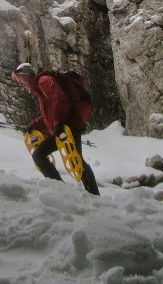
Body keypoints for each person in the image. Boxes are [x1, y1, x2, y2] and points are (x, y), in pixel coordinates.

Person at [11, 63, 100, 195]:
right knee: (72, 159)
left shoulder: (43, 81)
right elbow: (50, 114)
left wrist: (58, 122)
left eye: (20, 80)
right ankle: (74, 191)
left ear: (26, 75)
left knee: (68, 158)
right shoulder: (40, 86)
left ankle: (84, 194)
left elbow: (60, 100)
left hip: (68, 126)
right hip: (65, 126)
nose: (20, 84)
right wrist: (34, 125)